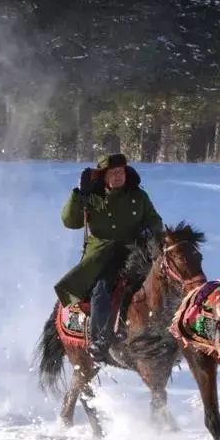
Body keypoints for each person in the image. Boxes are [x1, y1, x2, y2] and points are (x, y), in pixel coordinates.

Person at [54, 153, 163, 360]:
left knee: (161, 281)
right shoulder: (92, 197)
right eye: (112, 173)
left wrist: (149, 231)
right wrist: (78, 195)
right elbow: (69, 221)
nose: (117, 177)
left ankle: (164, 334)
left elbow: (155, 220)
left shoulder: (138, 196)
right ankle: (99, 340)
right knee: (101, 290)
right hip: (102, 255)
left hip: (136, 251)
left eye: (120, 172)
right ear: (103, 176)